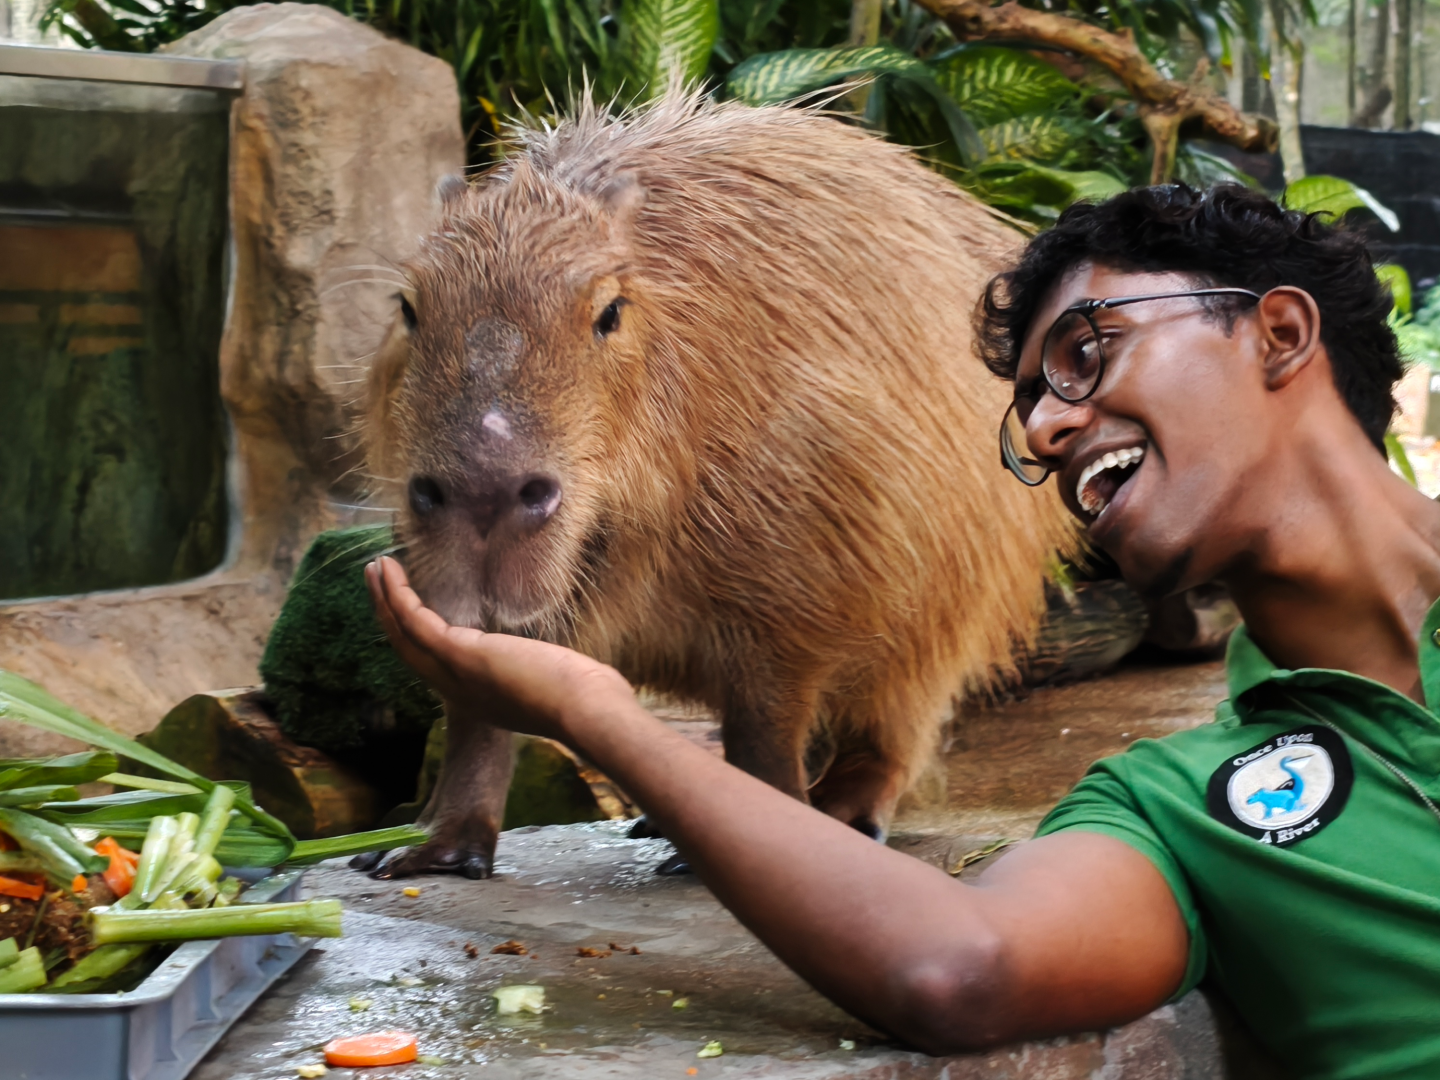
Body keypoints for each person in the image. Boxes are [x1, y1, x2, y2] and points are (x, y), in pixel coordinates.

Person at [364, 183, 1440, 1079]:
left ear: (1279, 336)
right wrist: (595, 716)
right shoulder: (1184, 806)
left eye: (1086, 353)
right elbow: (960, 967)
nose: (1049, 430)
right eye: (1030, 411)